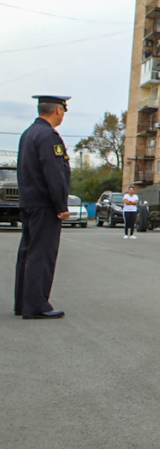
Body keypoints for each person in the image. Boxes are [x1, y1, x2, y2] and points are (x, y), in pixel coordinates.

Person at [15, 94, 72, 319]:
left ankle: (23, 302)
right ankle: (37, 305)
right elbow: (54, 173)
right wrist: (61, 204)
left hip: (29, 202)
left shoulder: (28, 133)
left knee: (27, 253)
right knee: (42, 253)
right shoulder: (49, 136)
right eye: (64, 111)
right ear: (58, 110)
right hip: (45, 205)